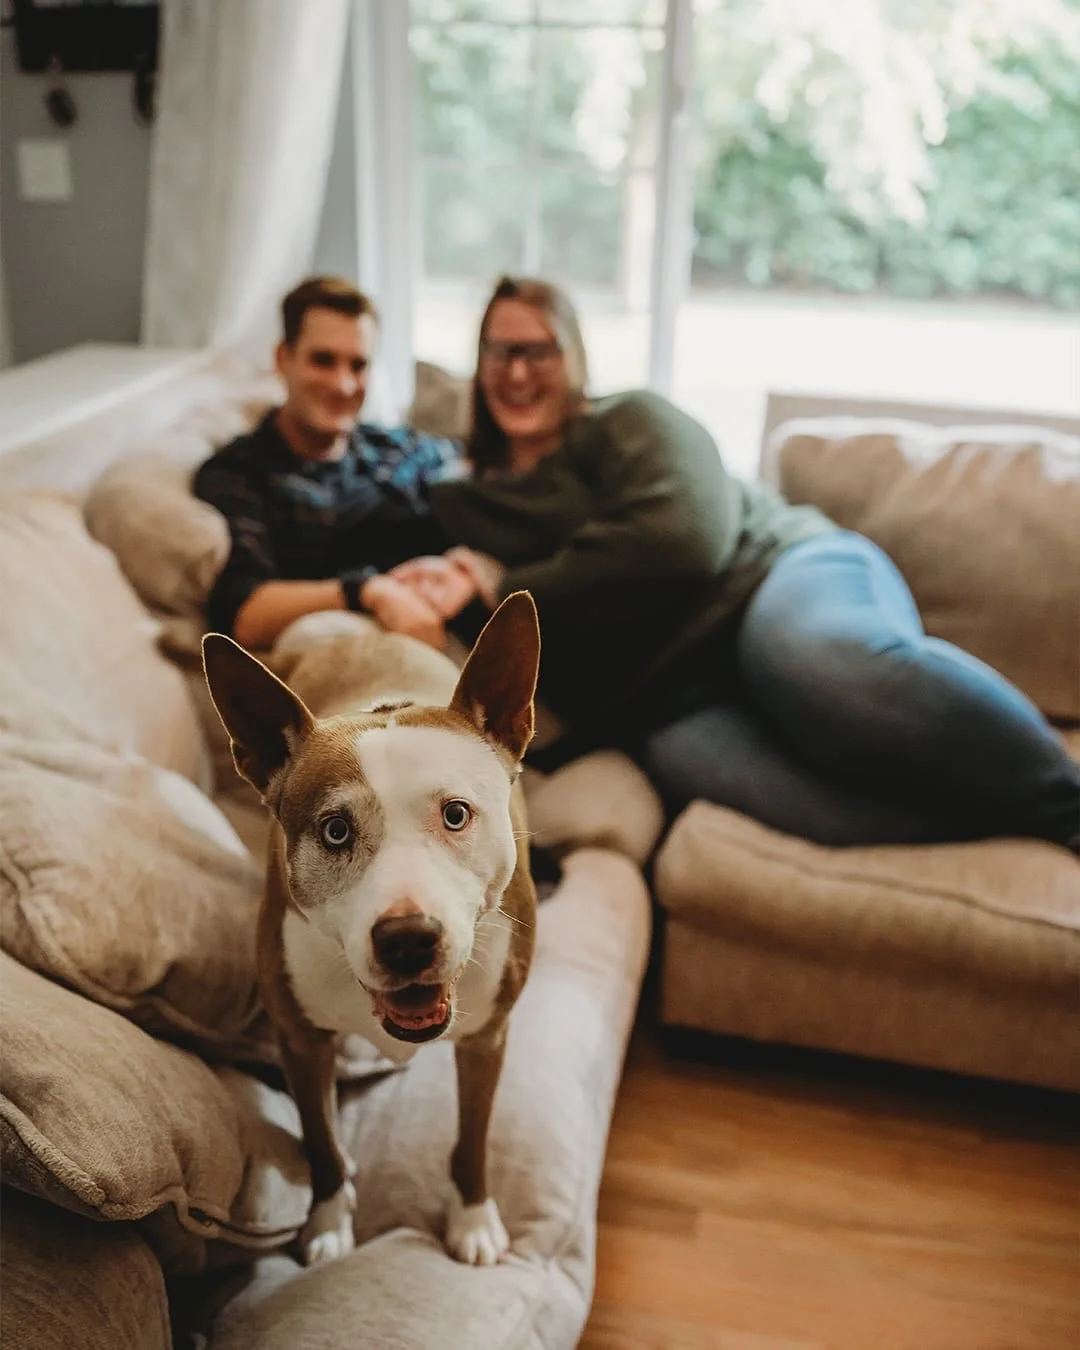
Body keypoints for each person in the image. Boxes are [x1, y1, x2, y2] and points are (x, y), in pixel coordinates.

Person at [390, 275, 1080, 854]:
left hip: (779, 576)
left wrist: (502, 582)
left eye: (538, 351)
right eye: (500, 351)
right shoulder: (461, 499)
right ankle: (1016, 820)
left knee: (821, 667)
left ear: (573, 357)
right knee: (815, 815)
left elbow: (681, 540)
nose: (516, 371)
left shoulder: (632, 420)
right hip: (672, 697)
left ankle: (1065, 800)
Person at [193, 276, 465, 653]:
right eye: (323, 361)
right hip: (359, 651)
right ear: (282, 359)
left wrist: (464, 569)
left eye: (358, 365)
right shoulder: (240, 472)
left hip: (458, 616)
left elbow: (471, 468)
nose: (343, 385)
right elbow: (245, 613)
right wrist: (368, 591)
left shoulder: (391, 446)